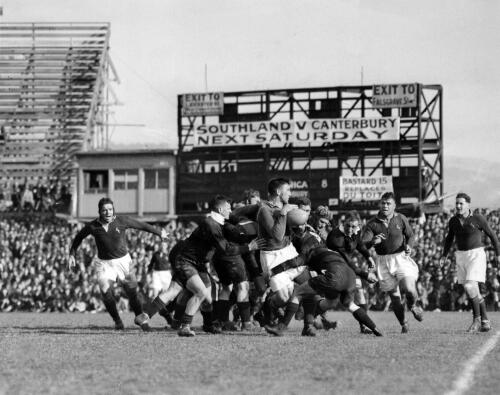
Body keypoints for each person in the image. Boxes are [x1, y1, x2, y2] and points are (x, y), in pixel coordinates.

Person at [135, 195, 264, 336]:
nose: (230, 211)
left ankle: (145, 316)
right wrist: (248, 247)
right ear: (220, 209)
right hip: (186, 262)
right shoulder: (211, 225)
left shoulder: (218, 222)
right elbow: (226, 249)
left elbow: (233, 228)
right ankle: (185, 326)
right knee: (200, 293)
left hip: (197, 264)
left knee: (197, 297)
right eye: (228, 208)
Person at [68, 197, 168, 330]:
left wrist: (159, 232)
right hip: (104, 263)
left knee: (132, 293)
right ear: (100, 212)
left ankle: (140, 320)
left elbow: (142, 226)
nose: (108, 212)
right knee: (104, 288)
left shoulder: (122, 220)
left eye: (110, 209)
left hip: (123, 262)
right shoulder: (92, 226)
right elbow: (78, 237)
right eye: (104, 210)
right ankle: (117, 321)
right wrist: (72, 254)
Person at [266, 246, 382, 337]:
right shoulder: (335, 252)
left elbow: (295, 262)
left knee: (298, 292)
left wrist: (273, 270)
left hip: (334, 276)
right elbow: (353, 266)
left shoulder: (311, 252)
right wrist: (366, 275)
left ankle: (281, 328)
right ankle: (374, 328)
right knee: (350, 305)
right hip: (350, 277)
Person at [361, 192, 423, 333]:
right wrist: (373, 241)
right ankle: (404, 323)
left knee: (409, 288)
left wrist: (409, 246)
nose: (385, 206)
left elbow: (411, 235)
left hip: (400, 258)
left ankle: (413, 306)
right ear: (380, 204)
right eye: (383, 203)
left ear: (394, 205)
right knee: (395, 298)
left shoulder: (400, 218)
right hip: (383, 262)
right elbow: (363, 245)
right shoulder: (372, 223)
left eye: (388, 203)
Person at [440, 192, 500, 332]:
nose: (458, 206)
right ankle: (485, 321)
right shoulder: (453, 221)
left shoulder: (478, 218)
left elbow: (493, 237)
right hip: (461, 256)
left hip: (476, 255)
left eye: (461, 203)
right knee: (473, 290)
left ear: (468, 204)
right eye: (457, 203)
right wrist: (444, 255)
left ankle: (476, 320)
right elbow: (449, 238)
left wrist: (498, 256)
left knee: (469, 286)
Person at [257, 178, 305, 330]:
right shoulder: (264, 210)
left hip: (288, 251)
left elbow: (287, 231)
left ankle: (310, 322)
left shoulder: (285, 207)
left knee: (309, 282)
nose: (290, 193)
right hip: (272, 257)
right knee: (283, 297)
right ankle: (266, 309)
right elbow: (277, 235)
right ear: (278, 192)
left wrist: (299, 227)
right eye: (288, 190)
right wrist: (284, 212)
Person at [326, 211, 377, 334]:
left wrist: (368, 257)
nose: (350, 229)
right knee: (332, 301)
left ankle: (364, 327)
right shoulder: (336, 238)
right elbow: (348, 262)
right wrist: (365, 275)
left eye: (353, 226)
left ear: (358, 226)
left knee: (359, 293)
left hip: (344, 267)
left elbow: (359, 244)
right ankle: (310, 319)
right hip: (332, 267)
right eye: (348, 225)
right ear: (344, 224)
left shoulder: (356, 231)